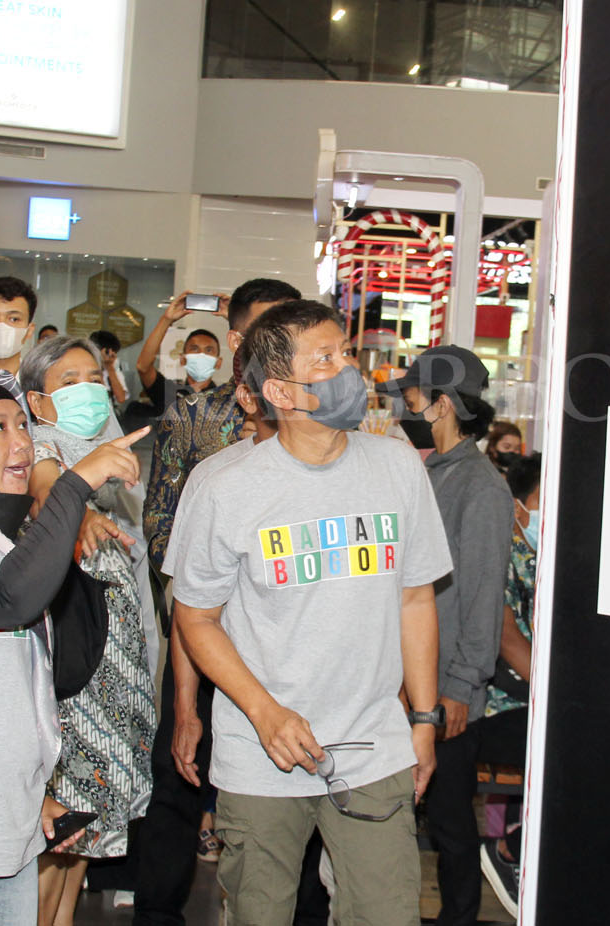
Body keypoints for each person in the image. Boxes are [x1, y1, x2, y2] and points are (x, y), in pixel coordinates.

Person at [169, 299, 451, 926]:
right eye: (324, 359)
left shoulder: (396, 465)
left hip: (373, 745)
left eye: (345, 353)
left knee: (386, 915)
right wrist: (264, 712)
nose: (347, 369)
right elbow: (196, 619)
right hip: (261, 751)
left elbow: (414, 598)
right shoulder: (223, 484)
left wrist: (424, 717)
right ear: (279, 391)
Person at [0, 374, 147, 926]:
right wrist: (75, 483)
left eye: (23, 424)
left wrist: (33, 792)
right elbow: (4, 600)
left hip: (10, 819)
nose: (21, 441)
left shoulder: (2, 531)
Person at [135, 277, 300, 926]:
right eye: (266, 332)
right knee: (179, 772)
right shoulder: (195, 413)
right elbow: (166, 530)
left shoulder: (313, 424)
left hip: (288, 638)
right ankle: (158, 911)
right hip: (203, 630)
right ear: (237, 341)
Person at [22, 337, 158, 925]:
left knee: (90, 818)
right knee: (60, 821)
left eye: (93, 378)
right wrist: (79, 506)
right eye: (68, 380)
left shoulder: (107, 448)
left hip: (115, 661)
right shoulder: (39, 444)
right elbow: (46, 490)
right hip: (74, 660)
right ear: (38, 401)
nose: (88, 389)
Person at [381, 345, 513, 926]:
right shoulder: (430, 471)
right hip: (410, 682)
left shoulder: (480, 487)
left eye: (413, 397)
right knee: (416, 815)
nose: (405, 408)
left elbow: (484, 596)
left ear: (442, 405)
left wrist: (461, 685)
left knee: (451, 824)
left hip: (446, 691)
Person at [478, 453, 542, 919]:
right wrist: (556, 697)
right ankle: (509, 849)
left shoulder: (540, 554)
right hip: (502, 706)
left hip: (533, 702)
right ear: (519, 506)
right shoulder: (501, 555)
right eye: (542, 501)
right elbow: (507, 639)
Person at [133, 291, 231, 422]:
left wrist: (235, 319)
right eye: (194, 349)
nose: (201, 354)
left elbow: (255, 372)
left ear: (218, 362)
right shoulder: (169, 392)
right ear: (183, 359)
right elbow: (143, 367)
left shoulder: (226, 398)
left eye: (209, 350)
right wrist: (166, 320)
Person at [88, 329, 131, 411]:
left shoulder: (113, 364)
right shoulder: (84, 364)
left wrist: (110, 368)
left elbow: (121, 398)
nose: (110, 356)